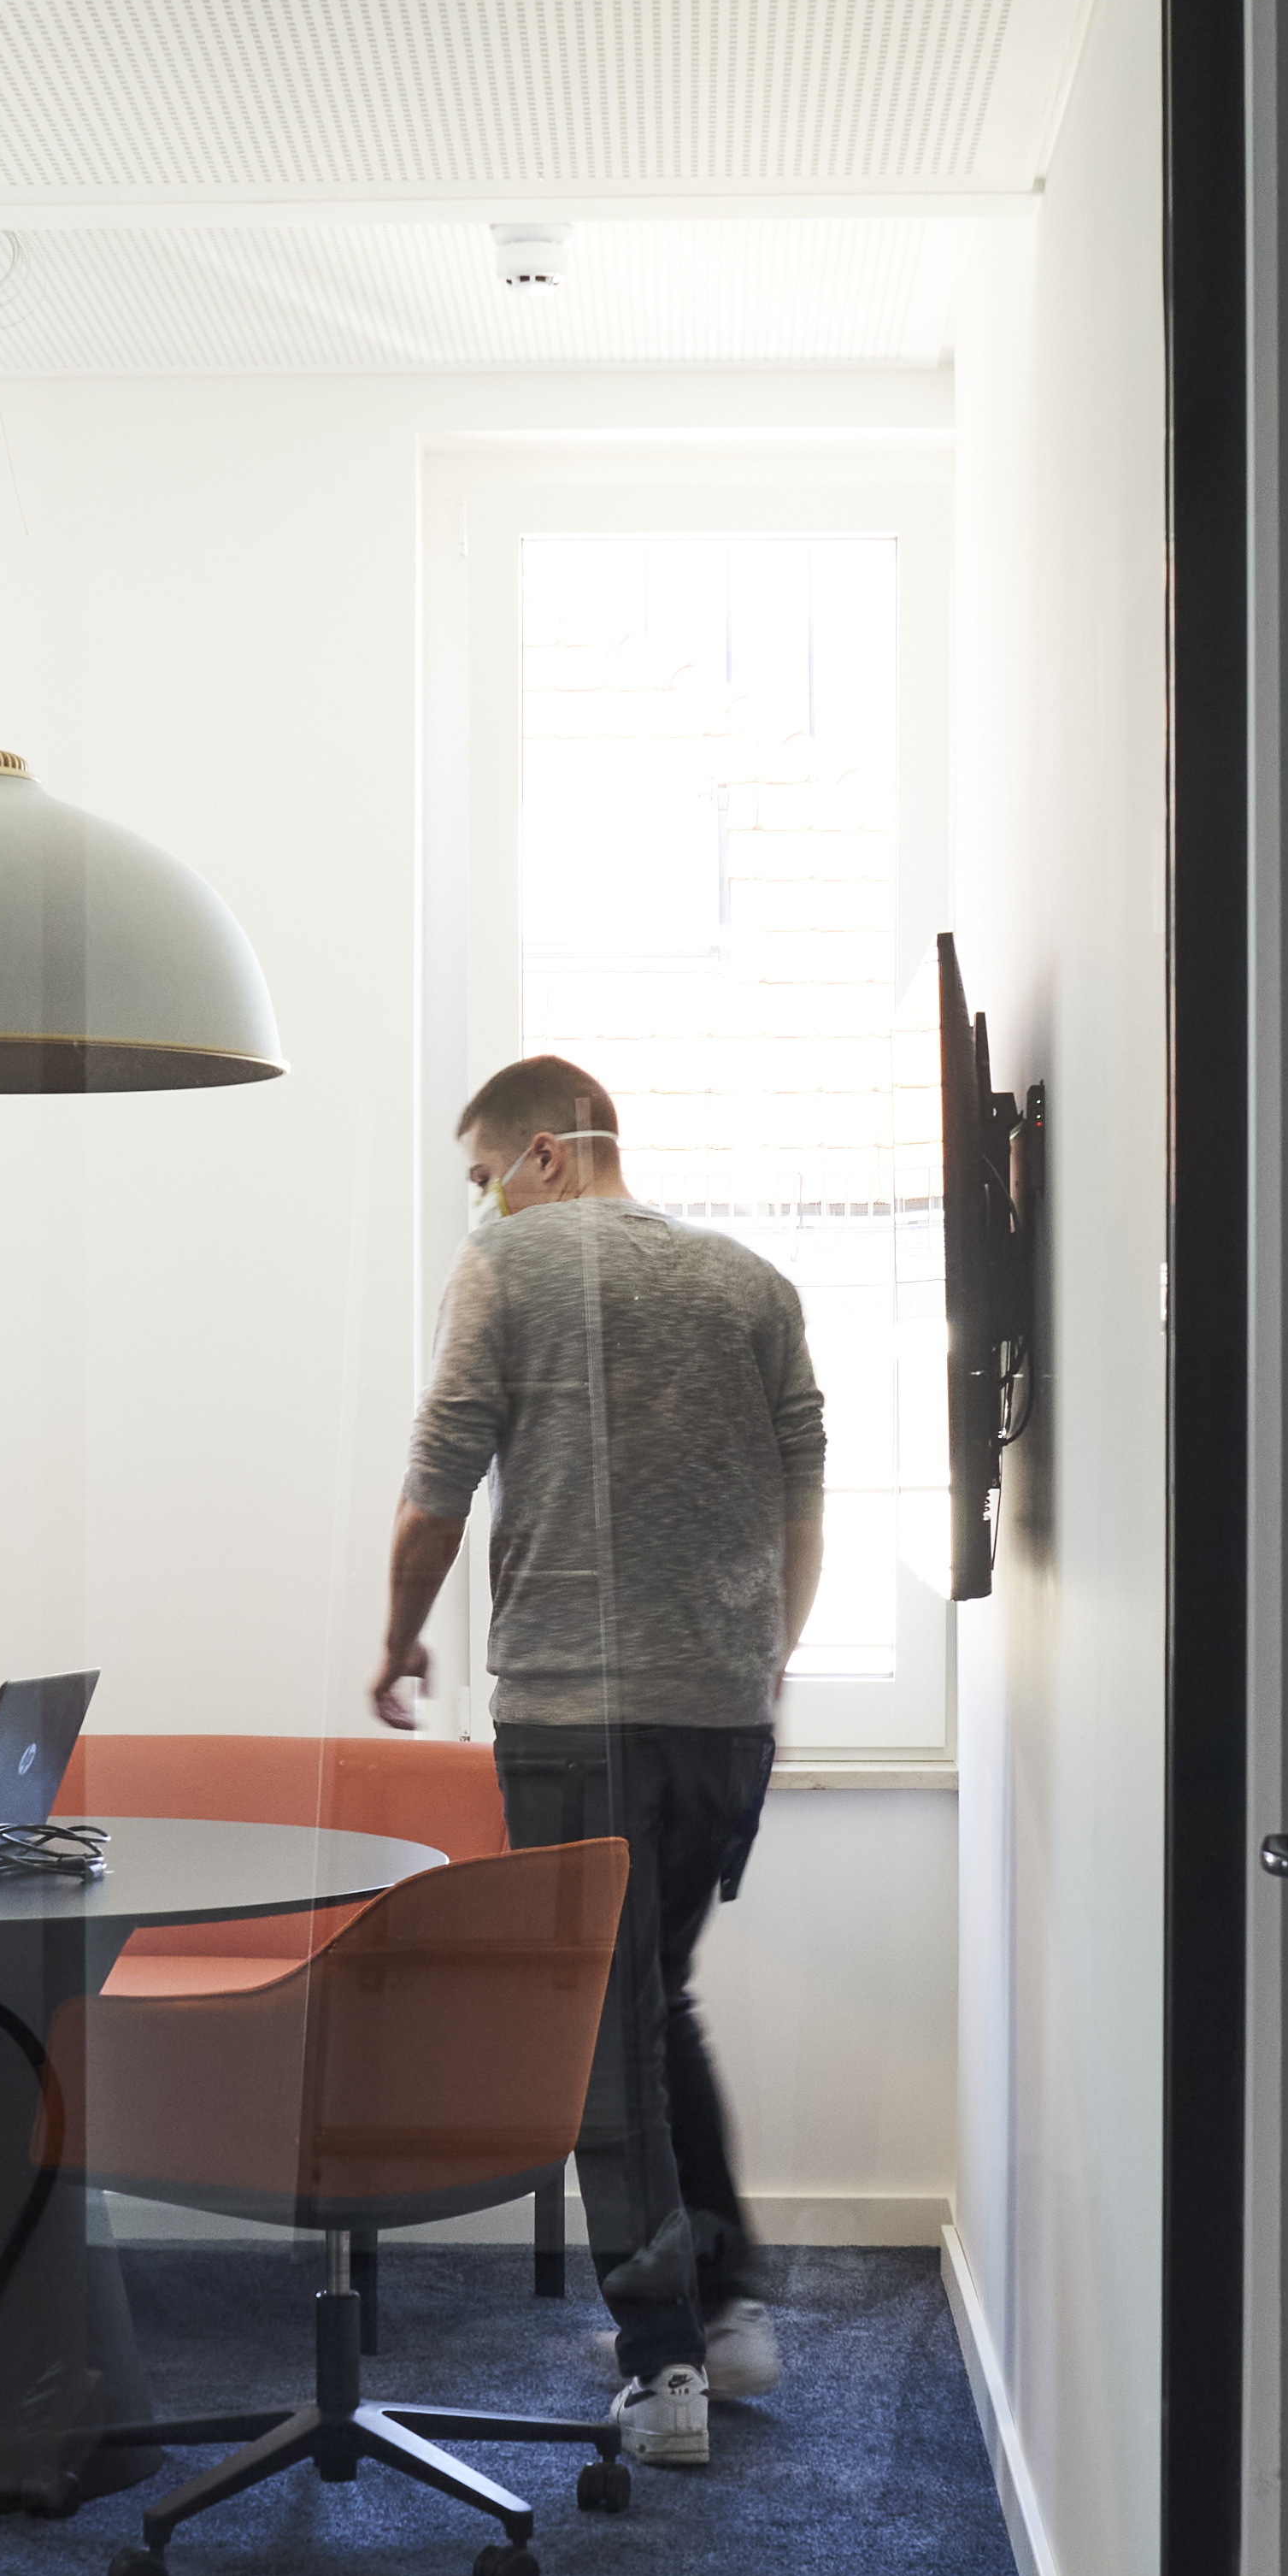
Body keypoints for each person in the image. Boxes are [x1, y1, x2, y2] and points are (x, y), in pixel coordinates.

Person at [370, 1055, 824, 2473]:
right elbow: (807, 1488)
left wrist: (394, 1641)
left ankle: (664, 2363)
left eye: (482, 1173)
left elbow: (440, 1473)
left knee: (598, 2031)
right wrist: (761, 1662)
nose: (482, 1203)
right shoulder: (752, 1282)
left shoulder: (507, 1265)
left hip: (574, 1712)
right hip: (722, 1716)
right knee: (654, 1998)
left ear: (547, 1155)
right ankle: (730, 2301)